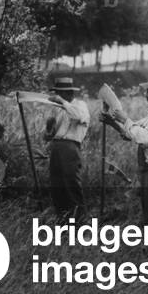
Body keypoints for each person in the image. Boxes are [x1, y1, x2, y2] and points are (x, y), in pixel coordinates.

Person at [100, 71, 148, 224]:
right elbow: (133, 132)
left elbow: (147, 138)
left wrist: (126, 119)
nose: (146, 94)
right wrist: (113, 122)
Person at [44, 76, 90, 218]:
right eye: (56, 93)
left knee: (71, 186)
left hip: (70, 148)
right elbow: (47, 136)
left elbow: (77, 116)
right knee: (57, 187)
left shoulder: (79, 105)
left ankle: (81, 223)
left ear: (69, 93)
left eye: (60, 93)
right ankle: (63, 222)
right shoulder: (57, 110)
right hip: (56, 148)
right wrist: (49, 129)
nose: (57, 96)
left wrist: (62, 102)